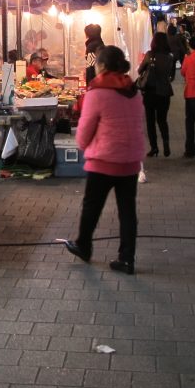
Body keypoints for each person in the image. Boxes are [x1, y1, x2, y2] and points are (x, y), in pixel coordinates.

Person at [62, 46, 145, 274]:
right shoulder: (134, 92)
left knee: (92, 206)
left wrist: (82, 145)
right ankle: (127, 259)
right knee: (127, 210)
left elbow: (84, 131)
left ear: (102, 65)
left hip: (104, 160)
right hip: (130, 161)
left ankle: (84, 246)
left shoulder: (96, 93)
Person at [137, 32, 174, 157]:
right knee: (162, 120)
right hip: (164, 92)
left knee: (150, 121)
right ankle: (166, 143)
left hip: (150, 92)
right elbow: (172, 76)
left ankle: (154, 148)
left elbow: (140, 70)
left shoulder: (150, 55)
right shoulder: (170, 57)